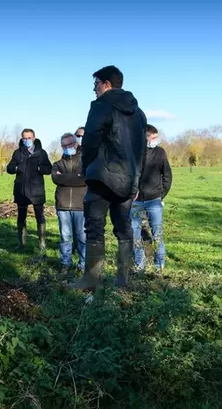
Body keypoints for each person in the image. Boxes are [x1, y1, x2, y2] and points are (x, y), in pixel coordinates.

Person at [73, 65, 147, 290]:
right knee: (123, 227)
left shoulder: (101, 105)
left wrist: (87, 169)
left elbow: (91, 139)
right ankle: (122, 280)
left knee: (94, 226)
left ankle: (90, 280)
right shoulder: (139, 113)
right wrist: (136, 182)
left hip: (102, 177)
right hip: (128, 180)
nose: (93, 89)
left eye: (95, 84)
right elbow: (141, 150)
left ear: (106, 84)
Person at [131, 125, 172, 271]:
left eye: (156, 137)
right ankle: (139, 263)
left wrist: (161, 195)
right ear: (144, 138)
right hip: (135, 201)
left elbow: (167, 175)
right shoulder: (133, 153)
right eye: (152, 138)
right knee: (134, 233)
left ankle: (159, 264)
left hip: (154, 200)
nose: (155, 140)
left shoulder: (160, 153)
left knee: (157, 233)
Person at [6, 129, 52, 254]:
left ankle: (42, 243)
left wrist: (39, 168)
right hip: (21, 189)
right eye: (24, 138)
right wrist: (16, 167)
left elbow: (49, 169)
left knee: (40, 216)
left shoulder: (41, 153)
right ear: (21, 139)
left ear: (34, 138)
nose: (27, 140)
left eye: (29, 138)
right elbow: (9, 168)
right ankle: (21, 243)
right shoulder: (17, 153)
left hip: (37, 189)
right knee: (21, 216)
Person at [51, 133, 87, 273]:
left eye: (69, 145)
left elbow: (85, 179)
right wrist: (76, 177)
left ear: (76, 144)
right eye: (64, 146)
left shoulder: (85, 161)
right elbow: (56, 179)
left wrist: (65, 178)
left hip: (81, 205)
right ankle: (65, 263)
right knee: (65, 237)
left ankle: (83, 264)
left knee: (82, 237)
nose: (67, 148)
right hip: (63, 205)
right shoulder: (57, 164)